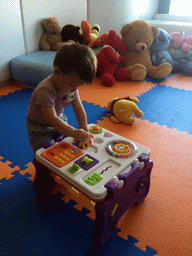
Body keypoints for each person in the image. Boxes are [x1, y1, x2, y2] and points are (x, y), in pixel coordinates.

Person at [26, 42, 97, 200]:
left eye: (77, 87)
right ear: (57, 72)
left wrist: (84, 128)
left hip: (59, 120)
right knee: (46, 155)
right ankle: (41, 167)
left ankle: (60, 171)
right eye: (72, 85)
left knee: (67, 149)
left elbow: (78, 108)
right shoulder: (46, 90)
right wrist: (73, 131)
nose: (74, 90)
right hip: (39, 128)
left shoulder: (71, 87)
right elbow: (51, 119)